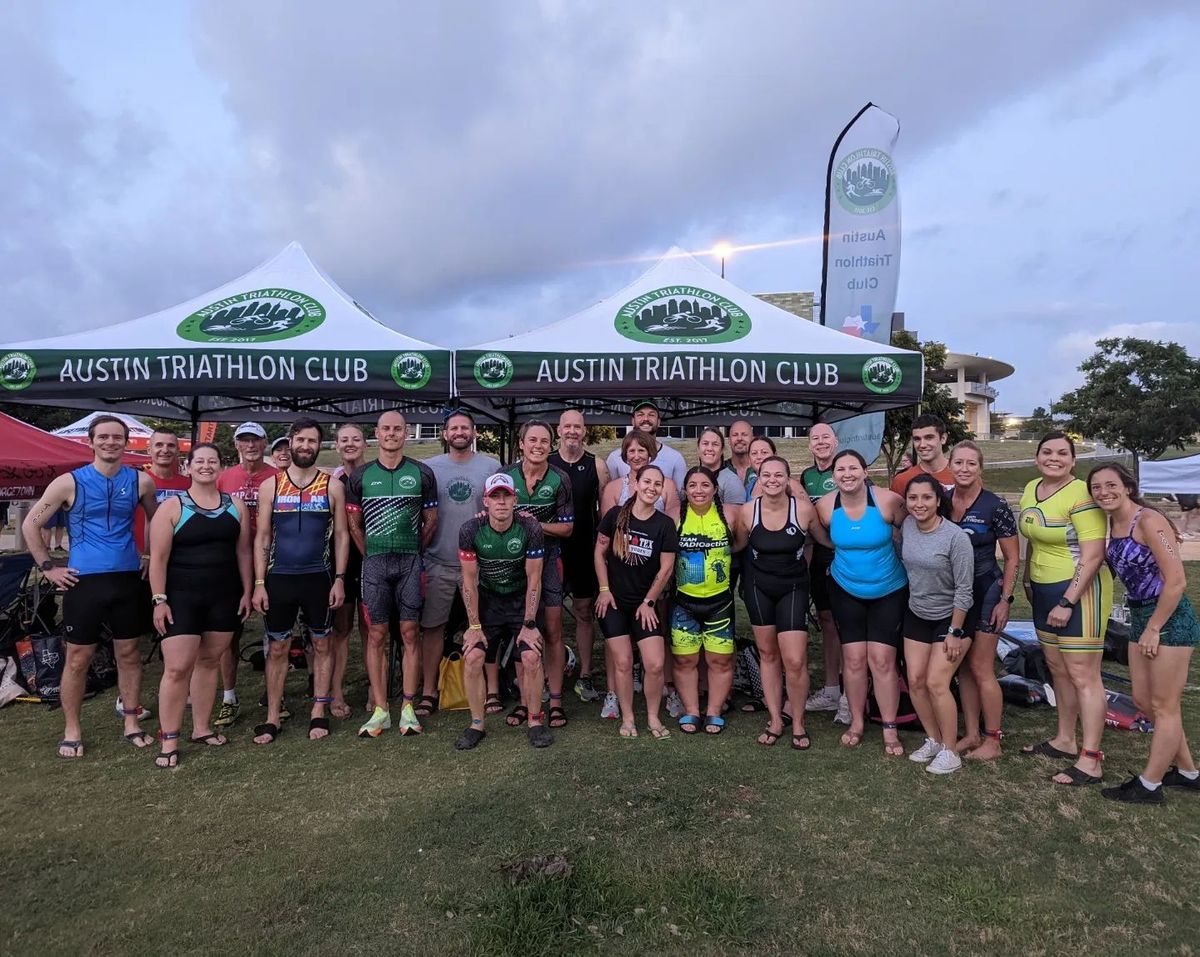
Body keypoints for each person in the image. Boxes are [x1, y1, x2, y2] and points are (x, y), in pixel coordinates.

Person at [21, 415, 159, 758]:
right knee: (78, 658)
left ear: (127, 442)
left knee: (129, 655)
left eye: (117, 437)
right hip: (84, 582)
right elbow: (30, 524)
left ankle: (131, 722)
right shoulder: (68, 482)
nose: (110, 442)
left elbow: (159, 523)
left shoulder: (142, 482)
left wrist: (149, 555)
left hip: (128, 579)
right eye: (104, 437)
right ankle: (72, 729)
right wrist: (49, 567)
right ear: (90, 441)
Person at [1088, 464, 1199, 803]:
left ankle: (1149, 785)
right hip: (1140, 614)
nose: (1104, 492)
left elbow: (1177, 581)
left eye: (1111, 485)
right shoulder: (1112, 521)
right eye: (1096, 487)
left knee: (1164, 706)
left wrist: (1154, 628)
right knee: (1143, 701)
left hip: (1169, 619)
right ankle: (1188, 772)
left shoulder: (1148, 521)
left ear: (1128, 486)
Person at [1017, 431, 1113, 786]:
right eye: (1046, 452)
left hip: (1078, 591)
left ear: (1073, 461)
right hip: (1042, 589)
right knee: (1057, 668)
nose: (1053, 458)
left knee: (1083, 674)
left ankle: (1091, 759)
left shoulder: (1080, 494)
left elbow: (1093, 555)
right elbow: (1031, 539)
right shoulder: (1031, 488)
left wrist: (1067, 601)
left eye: (1062, 453)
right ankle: (1064, 739)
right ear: (1037, 457)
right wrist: (1027, 580)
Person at [147, 444, 252, 767]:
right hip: (181, 597)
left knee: (209, 661)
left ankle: (202, 728)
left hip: (224, 595)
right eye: (200, 462)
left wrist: (248, 591)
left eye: (213, 462)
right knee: (177, 668)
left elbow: (244, 552)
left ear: (222, 467)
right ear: (188, 468)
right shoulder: (172, 507)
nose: (207, 467)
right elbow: (158, 559)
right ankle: (169, 739)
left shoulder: (235, 505)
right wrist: (159, 599)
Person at [252, 419, 349, 744]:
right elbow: (262, 537)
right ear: (291, 443)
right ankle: (272, 716)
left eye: (312, 441)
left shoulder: (331, 485)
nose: (306, 446)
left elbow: (342, 537)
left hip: (318, 578)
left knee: (322, 643)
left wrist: (339, 579)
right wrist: (259, 582)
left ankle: (318, 711)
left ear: (319, 445)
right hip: (279, 578)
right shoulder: (272, 485)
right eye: (301, 440)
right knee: (278, 647)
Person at [345, 410, 438, 738]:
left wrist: (414, 548)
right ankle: (382, 709)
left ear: (405, 433)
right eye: (386, 429)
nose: (392, 434)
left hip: (410, 562)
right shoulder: (361, 476)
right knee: (376, 634)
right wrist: (368, 553)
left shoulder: (422, 473)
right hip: (375, 564)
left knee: (411, 632)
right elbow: (354, 523)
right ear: (377, 433)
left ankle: (409, 707)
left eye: (398, 429)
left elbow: (431, 520)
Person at [815, 449, 908, 756]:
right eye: (840, 469)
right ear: (833, 476)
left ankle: (889, 726)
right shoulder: (826, 507)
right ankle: (856, 722)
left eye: (853, 468)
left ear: (865, 472)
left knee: (882, 661)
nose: (847, 474)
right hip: (845, 589)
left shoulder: (887, 501)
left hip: (888, 590)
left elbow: (909, 535)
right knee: (853, 660)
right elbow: (820, 537)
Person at [740, 455, 830, 750]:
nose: (772, 480)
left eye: (779, 475)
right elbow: (738, 545)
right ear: (759, 478)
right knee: (768, 655)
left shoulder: (803, 510)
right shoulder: (747, 512)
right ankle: (776, 720)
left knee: (794, 659)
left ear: (788, 479)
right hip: (758, 587)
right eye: (766, 475)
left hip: (793, 587)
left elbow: (823, 540)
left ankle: (799, 722)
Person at [457, 473, 550, 749]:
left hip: (522, 600)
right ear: (485, 500)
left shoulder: (530, 528)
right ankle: (476, 724)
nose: (500, 502)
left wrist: (529, 623)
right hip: (488, 601)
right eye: (495, 496)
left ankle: (535, 720)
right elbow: (469, 582)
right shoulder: (470, 530)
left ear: (515, 500)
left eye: (506, 496)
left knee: (531, 657)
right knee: (473, 657)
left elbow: (535, 578)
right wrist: (474, 626)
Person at [418, 410, 499, 717]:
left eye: (465, 427)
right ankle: (429, 691)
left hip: (480, 563)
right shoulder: (429, 468)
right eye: (454, 428)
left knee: (483, 626)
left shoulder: (491, 466)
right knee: (433, 626)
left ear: (474, 431)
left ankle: (491, 689)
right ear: (444, 434)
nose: (460, 432)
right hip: (439, 560)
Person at [597, 428, 681, 721]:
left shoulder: (664, 525)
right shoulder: (615, 515)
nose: (652, 487)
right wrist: (604, 590)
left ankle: (653, 717)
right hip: (616, 603)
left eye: (657, 484)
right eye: (647, 481)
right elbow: (599, 553)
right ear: (636, 483)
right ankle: (629, 717)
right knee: (622, 661)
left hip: (644, 603)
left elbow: (667, 567)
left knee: (655, 664)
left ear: (662, 489)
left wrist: (649, 601)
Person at [899, 474, 976, 774]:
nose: (919, 504)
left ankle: (951, 750)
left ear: (938, 500)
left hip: (950, 618)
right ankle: (932, 739)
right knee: (915, 681)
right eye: (913, 498)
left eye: (926, 497)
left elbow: (965, 590)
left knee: (935, 682)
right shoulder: (907, 526)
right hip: (917, 613)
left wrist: (956, 632)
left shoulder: (956, 537)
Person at [948, 441, 1019, 760]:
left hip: (987, 589)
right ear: (950, 465)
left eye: (970, 464)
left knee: (981, 666)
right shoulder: (944, 500)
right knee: (962, 666)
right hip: (955, 593)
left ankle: (994, 740)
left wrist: (1006, 599)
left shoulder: (995, 505)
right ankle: (972, 733)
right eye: (958, 462)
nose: (964, 469)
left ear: (980, 468)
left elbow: (1013, 558)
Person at [503, 420, 574, 729]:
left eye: (545, 441)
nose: (538, 445)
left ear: (551, 445)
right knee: (523, 631)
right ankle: (525, 700)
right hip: (515, 563)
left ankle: (555, 700)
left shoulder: (560, 478)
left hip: (549, 561)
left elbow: (567, 527)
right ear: (521, 443)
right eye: (532, 440)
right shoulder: (504, 476)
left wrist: (533, 524)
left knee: (554, 631)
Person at [671, 466, 746, 734]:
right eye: (692, 485)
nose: (699, 490)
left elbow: (739, 545)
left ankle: (714, 711)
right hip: (684, 602)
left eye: (705, 485)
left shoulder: (731, 514)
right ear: (685, 489)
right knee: (684, 661)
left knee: (720, 660)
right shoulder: (674, 516)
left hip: (720, 602)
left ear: (715, 489)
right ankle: (692, 711)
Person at [213, 421, 277, 729]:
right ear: (236, 445)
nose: (250, 445)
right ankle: (229, 697)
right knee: (229, 633)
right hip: (231, 562)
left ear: (265, 444)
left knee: (274, 632)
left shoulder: (277, 476)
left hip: (270, 560)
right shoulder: (224, 478)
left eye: (256, 440)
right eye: (244, 440)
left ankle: (272, 694)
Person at [549, 409, 609, 704]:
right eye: (567, 426)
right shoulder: (545, 463)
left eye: (577, 426)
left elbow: (605, 512)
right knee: (552, 617)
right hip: (551, 551)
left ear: (584, 431)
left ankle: (585, 675)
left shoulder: (596, 464)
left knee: (585, 612)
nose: (572, 431)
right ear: (558, 430)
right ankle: (552, 675)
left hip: (585, 550)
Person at [800, 423, 848, 724]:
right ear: (809, 445)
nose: (820, 443)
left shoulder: (846, 468)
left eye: (825, 437)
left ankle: (849, 692)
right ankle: (832, 689)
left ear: (836, 441)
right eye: (815, 438)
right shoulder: (806, 477)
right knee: (828, 622)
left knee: (848, 625)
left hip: (845, 557)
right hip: (819, 559)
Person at [330, 422, 368, 718]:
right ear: (337, 445)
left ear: (365, 443)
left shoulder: (375, 475)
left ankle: (374, 690)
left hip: (371, 559)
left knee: (372, 630)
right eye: (345, 440)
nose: (350, 444)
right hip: (339, 562)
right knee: (341, 630)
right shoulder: (330, 480)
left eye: (356, 439)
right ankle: (336, 693)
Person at [604, 399, 688, 488]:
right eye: (640, 415)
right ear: (633, 421)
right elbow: (610, 493)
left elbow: (679, 497)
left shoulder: (675, 458)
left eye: (651, 415)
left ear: (658, 422)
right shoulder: (615, 458)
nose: (646, 419)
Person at [599, 431, 681, 521]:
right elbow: (606, 527)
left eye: (641, 451)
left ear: (650, 453)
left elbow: (672, 523)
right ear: (626, 455)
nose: (636, 457)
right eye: (632, 451)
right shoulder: (612, 488)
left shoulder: (668, 485)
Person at [890, 414, 955, 495]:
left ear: (943, 438)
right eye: (917, 439)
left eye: (929, 438)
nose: (922, 445)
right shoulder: (902, 480)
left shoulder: (962, 474)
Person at [697, 427, 747, 518]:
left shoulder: (731, 480)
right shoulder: (690, 477)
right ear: (698, 448)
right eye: (705, 443)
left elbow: (737, 518)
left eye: (715, 444)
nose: (709, 448)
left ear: (722, 450)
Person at [723, 419, 756, 495]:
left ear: (752, 439)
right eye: (735, 435)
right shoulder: (721, 468)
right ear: (729, 440)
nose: (739, 438)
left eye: (744, 435)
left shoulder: (761, 469)